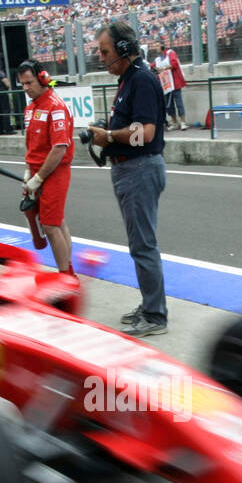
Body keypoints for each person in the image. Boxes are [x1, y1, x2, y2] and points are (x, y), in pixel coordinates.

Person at [88, 21, 169, 337]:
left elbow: (146, 133)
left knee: (143, 245)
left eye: (105, 51)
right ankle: (151, 304)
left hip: (139, 169)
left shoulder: (142, 80)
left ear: (123, 49)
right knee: (140, 244)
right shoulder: (129, 80)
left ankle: (155, 315)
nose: (101, 57)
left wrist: (108, 136)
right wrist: (108, 136)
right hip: (130, 169)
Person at [17, 60, 75, 273]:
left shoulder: (56, 106)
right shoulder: (30, 108)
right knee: (57, 222)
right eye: (22, 84)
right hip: (35, 172)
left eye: (29, 82)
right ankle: (67, 270)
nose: (25, 88)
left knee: (50, 225)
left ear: (43, 78)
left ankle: (66, 275)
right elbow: (31, 144)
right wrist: (28, 172)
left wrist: (38, 178)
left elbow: (59, 149)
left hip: (55, 172)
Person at [156, 41, 188, 130]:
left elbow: (174, 63)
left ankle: (183, 122)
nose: (156, 48)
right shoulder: (158, 59)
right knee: (169, 105)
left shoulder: (171, 53)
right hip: (166, 85)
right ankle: (175, 122)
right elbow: (154, 66)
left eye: (157, 46)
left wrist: (163, 68)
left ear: (162, 46)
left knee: (179, 103)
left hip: (175, 83)